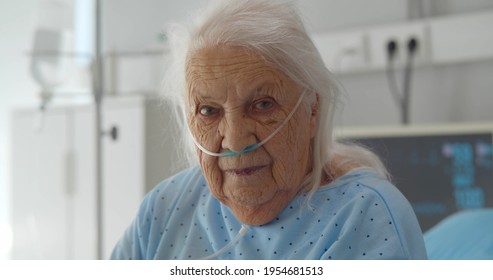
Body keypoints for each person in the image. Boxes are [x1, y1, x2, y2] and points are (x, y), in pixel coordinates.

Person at [111, 0, 427, 260]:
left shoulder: (365, 217)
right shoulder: (166, 209)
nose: (234, 139)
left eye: (262, 105)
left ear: (311, 109)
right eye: (209, 111)